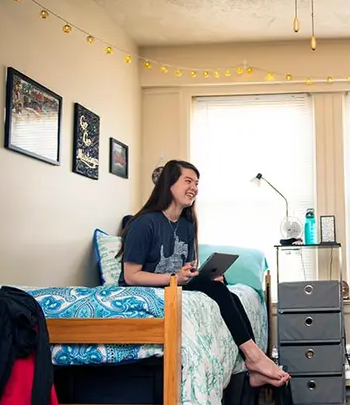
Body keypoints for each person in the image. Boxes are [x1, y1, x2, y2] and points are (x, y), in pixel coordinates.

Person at [117, 160, 290, 388]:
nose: (194, 188)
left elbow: (186, 268)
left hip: (173, 283)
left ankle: (254, 364)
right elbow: (130, 276)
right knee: (215, 290)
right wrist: (174, 279)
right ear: (169, 184)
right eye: (188, 181)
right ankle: (255, 359)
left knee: (227, 293)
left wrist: (205, 275)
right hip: (147, 286)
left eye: (196, 183)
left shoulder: (187, 224)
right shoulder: (144, 223)